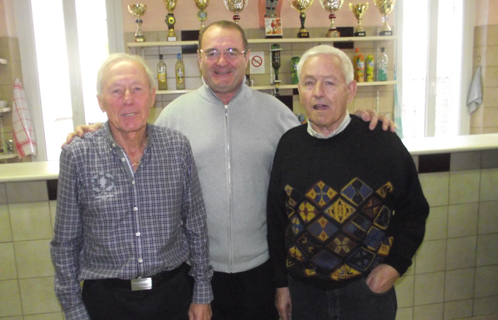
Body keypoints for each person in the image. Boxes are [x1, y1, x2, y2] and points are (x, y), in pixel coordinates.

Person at [64, 21, 395, 320]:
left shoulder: (277, 114)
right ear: (199, 58)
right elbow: (131, 138)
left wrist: (361, 120)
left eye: (232, 51)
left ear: (247, 57)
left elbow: (323, 137)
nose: (222, 61)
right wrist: (96, 129)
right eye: (212, 52)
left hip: (262, 270)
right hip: (195, 275)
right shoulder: (173, 117)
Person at [266, 45, 430, 320]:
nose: (318, 92)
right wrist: (281, 284)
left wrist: (394, 267)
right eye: (309, 82)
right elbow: (277, 221)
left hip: (366, 295)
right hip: (305, 296)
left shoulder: (381, 141)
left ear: (350, 90)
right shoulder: (288, 145)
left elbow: (414, 212)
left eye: (330, 83)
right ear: (299, 90)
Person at [50, 53, 213, 320]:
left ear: (151, 95)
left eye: (137, 89)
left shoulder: (177, 147)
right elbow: (65, 244)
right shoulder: (77, 156)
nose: (128, 99)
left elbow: (196, 225)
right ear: (101, 102)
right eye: (116, 90)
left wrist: (202, 292)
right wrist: (74, 310)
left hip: (172, 296)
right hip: (107, 302)